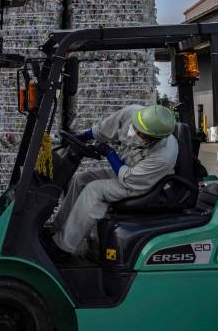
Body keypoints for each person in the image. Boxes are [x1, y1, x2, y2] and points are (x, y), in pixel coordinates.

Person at [44, 104, 179, 262]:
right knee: (80, 180)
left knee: (95, 190)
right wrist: (79, 139)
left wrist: (110, 154)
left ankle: (63, 247)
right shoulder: (132, 113)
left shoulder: (163, 156)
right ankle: (56, 231)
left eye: (141, 134)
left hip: (142, 183)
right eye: (135, 127)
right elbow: (103, 128)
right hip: (126, 169)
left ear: (155, 138)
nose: (133, 133)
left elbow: (129, 179)